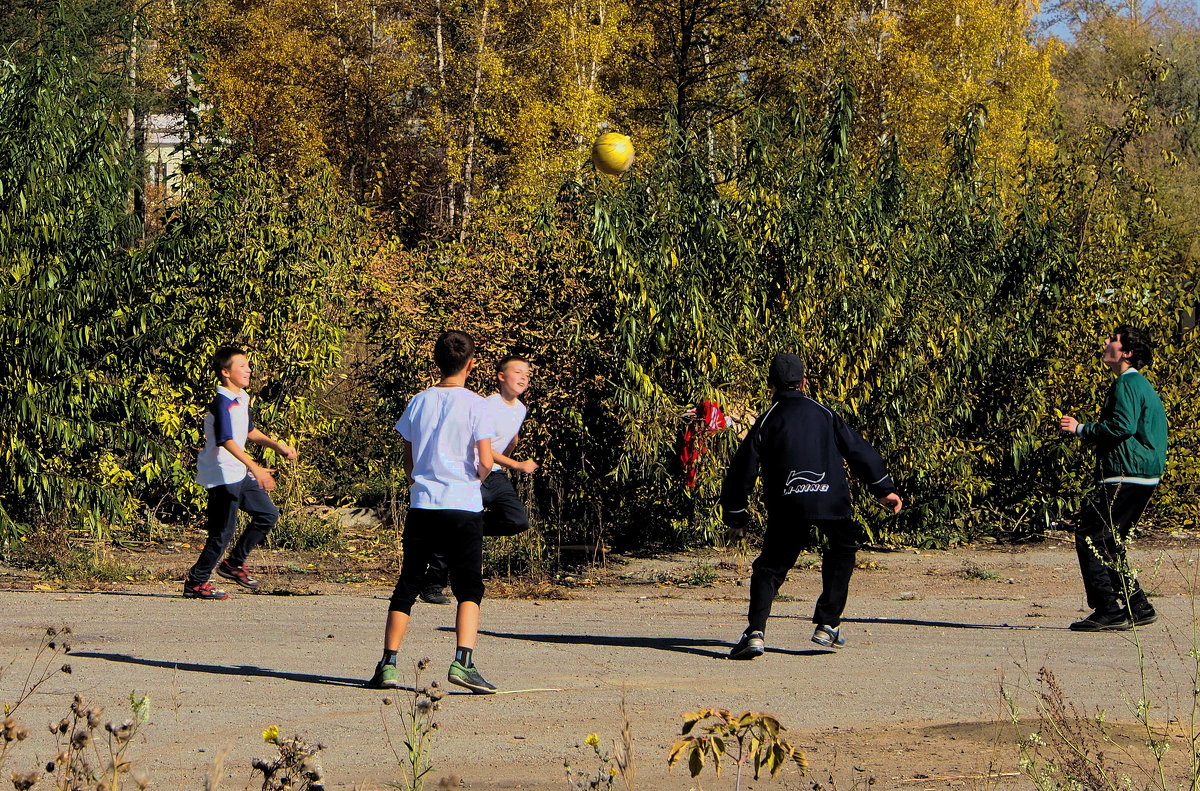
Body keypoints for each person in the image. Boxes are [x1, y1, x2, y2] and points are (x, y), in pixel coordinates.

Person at [720, 352, 903, 658]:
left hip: (789, 503)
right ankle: (828, 623)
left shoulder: (768, 419)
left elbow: (743, 469)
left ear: (771, 385)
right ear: (804, 382)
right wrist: (883, 489)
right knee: (842, 551)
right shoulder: (824, 413)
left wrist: (736, 514)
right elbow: (858, 450)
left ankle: (755, 633)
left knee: (770, 567)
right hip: (831, 500)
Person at [368, 330, 498, 692]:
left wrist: (419, 480)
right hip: (464, 504)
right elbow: (485, 460)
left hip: (424, 504)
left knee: (408, 582)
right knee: (468, 585)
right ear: (471, 364)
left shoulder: (418, 401)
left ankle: (388, 663)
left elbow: (408, 459)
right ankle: (464, 661)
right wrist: (474, 477)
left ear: (436, 362)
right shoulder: (477, 405)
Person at [1057, 324, 1167, 632]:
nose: (1107, 342)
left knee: (1090, 537)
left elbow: (1122, 426)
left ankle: (1108, 610)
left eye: (1114, 340)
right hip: (1143, 475)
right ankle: (1138, 606)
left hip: (1125, 473)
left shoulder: (1126, 383)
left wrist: (1081, 428)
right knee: (1111, 542)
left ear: (1127, 353)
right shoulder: (1141, 385)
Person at [418, 355, 539, 604]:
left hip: (496, 474)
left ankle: (460, 532)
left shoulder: (521, 409)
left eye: (527, 373)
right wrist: (516, 464)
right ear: (501, 377)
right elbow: (479, 446)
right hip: (476, 472)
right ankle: (432, 584)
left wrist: (508, 456)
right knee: (455, 523)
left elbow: (511, 439)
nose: (524, 377)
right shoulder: (487, 405)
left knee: (516, 521)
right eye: (517, 372)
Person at [185, 346, 298, 600]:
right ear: (226, 372)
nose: (248, 370)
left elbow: (247, 431)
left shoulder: (241, 398)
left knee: (267, 514)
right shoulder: (222, 401)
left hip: (237, 472)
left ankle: (233, 564)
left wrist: (277, 446)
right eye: (242, 366)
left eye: (248, 366)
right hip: (221, 475)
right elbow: (226, 440)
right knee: (222, 533)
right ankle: (196, 582)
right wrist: (256, 468)